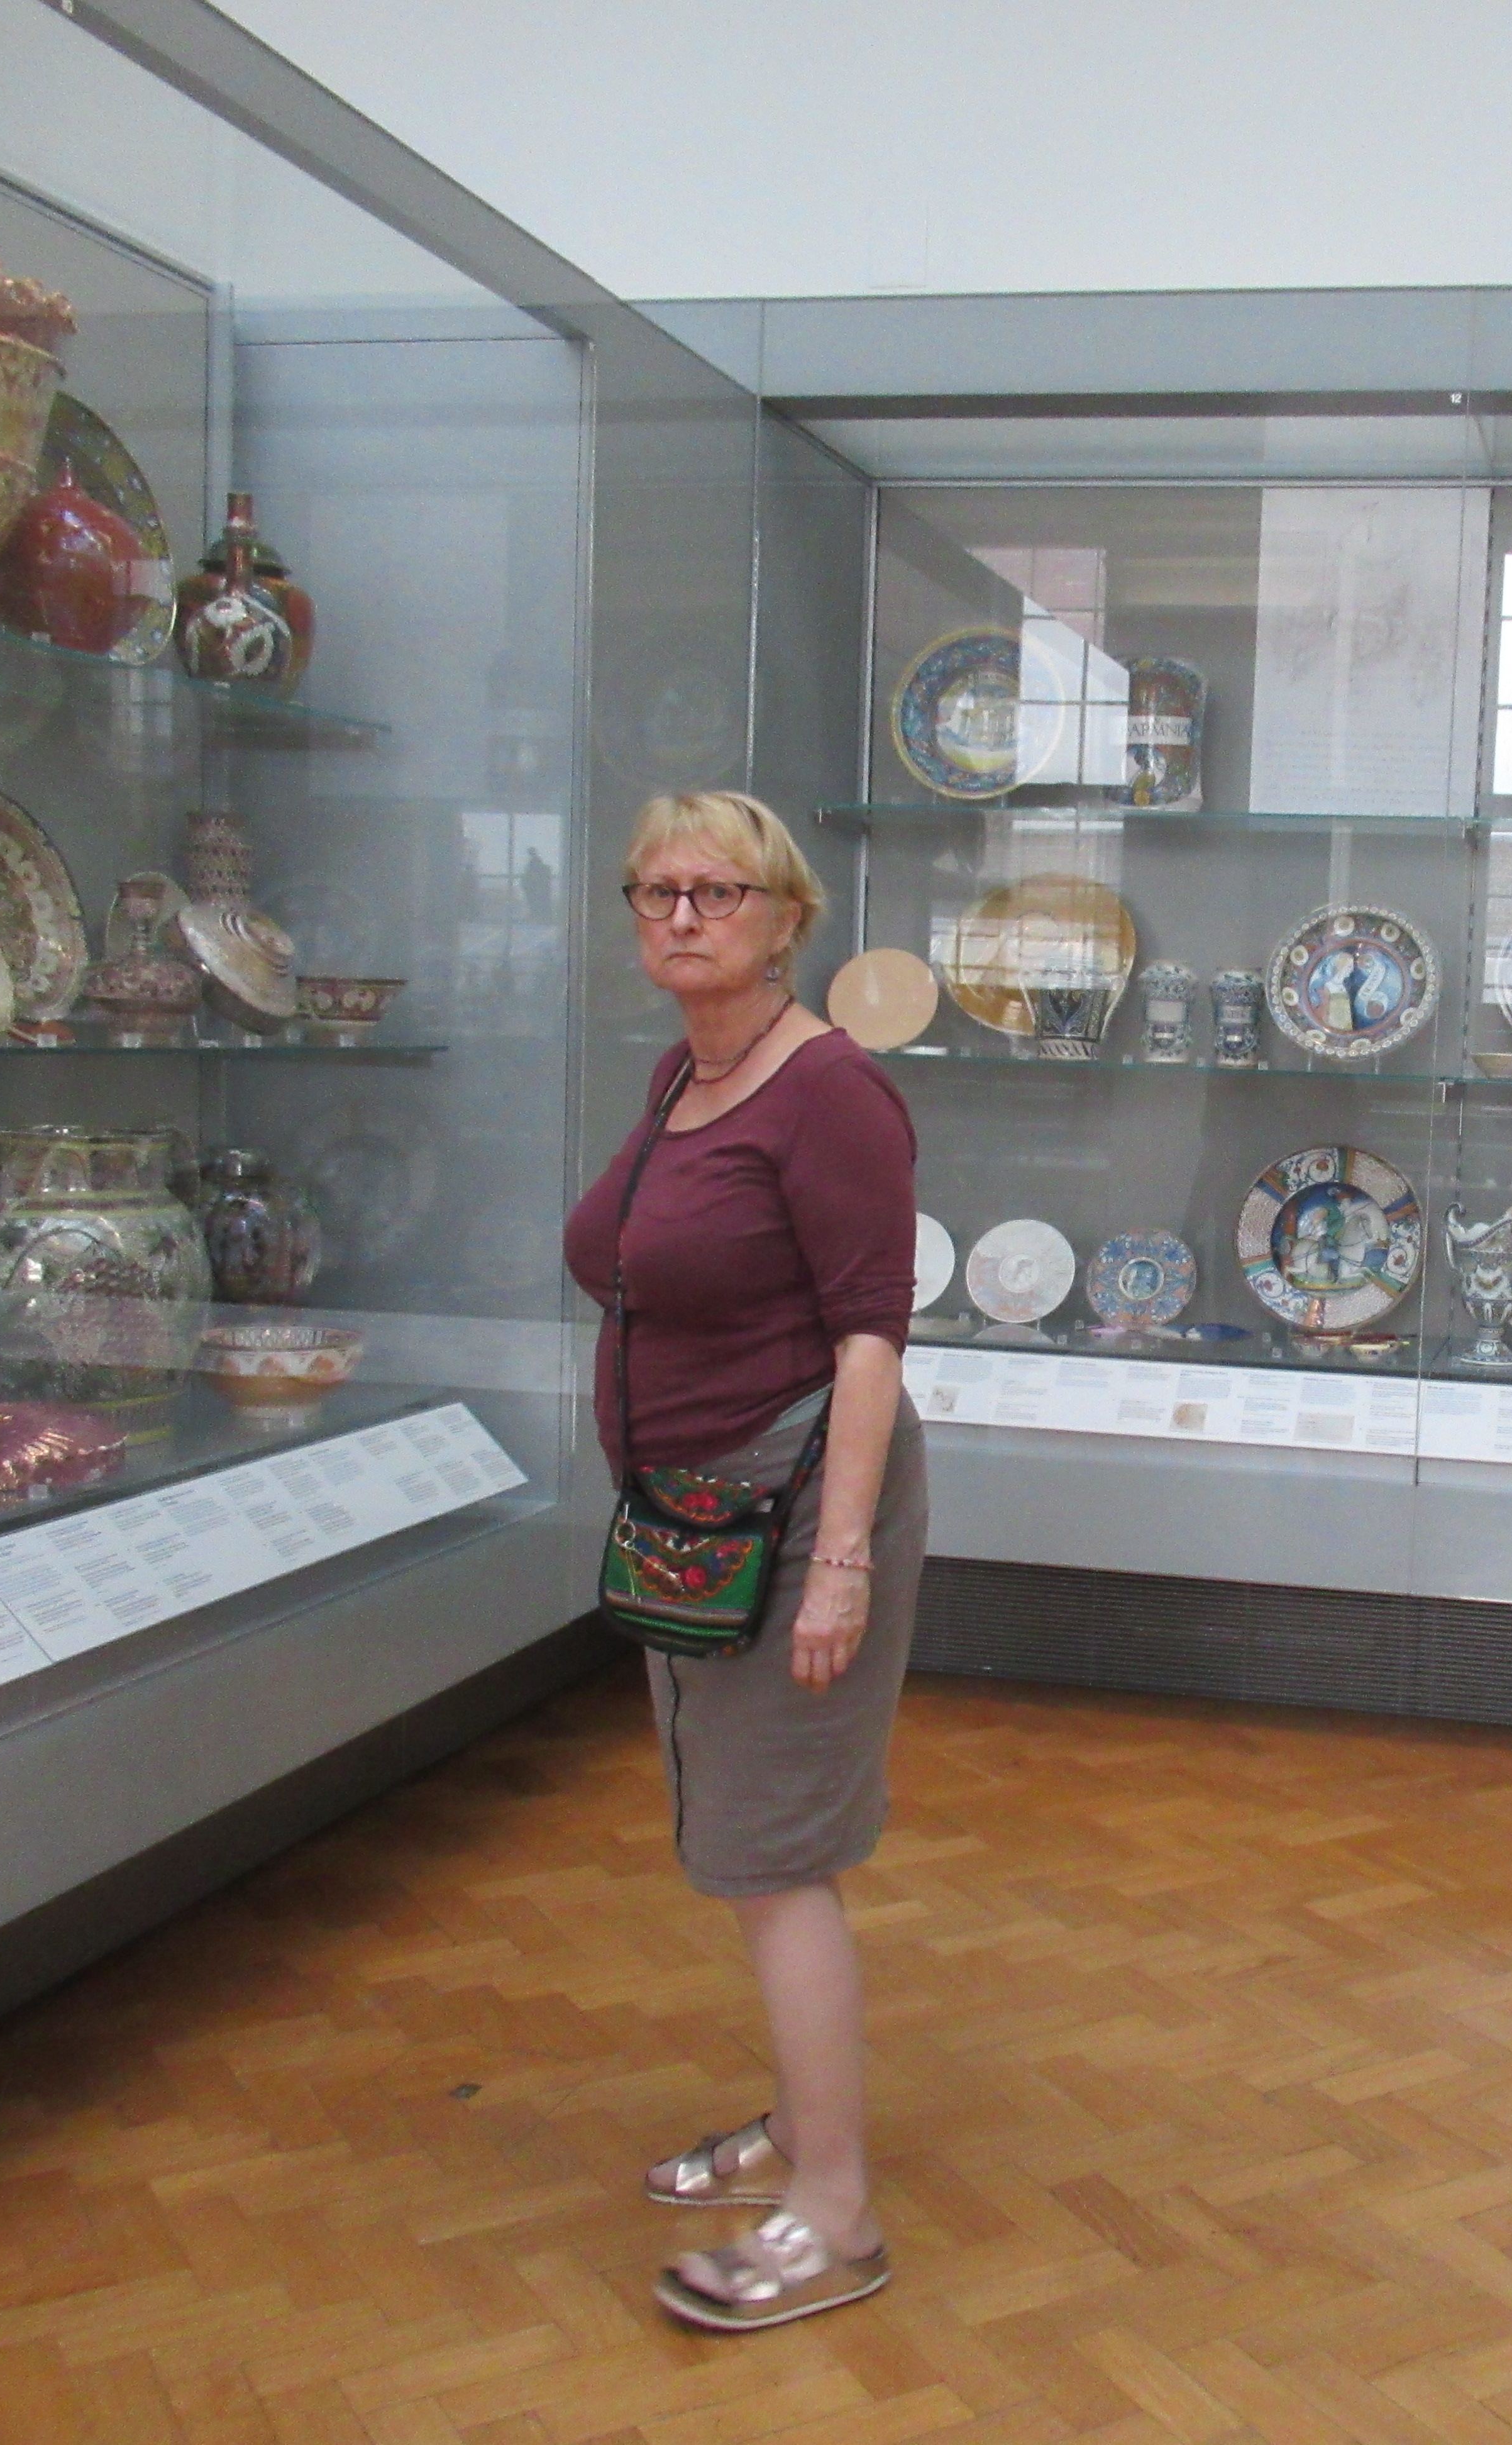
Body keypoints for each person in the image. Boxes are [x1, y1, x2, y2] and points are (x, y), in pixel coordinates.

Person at [560, 789, 925, 2332]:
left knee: (772, 1859)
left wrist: (839, 1561)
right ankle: (797, 2124)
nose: (682, 916)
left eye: (718, 891)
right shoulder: (686, 1074)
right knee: (736, 1832)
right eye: (656, 892)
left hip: (792, 1513)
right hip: (695, 1525)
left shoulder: (831, 1091)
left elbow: (870, 1340)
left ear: (786, 918)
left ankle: (836, 2215)